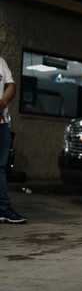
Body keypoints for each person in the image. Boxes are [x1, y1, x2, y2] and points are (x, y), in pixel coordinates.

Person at [0, 56, 26, 224]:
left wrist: (2, 103)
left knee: (0, 167)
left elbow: (11, 86)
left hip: (1, 122)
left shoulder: (1, 62)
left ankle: (3, 209)